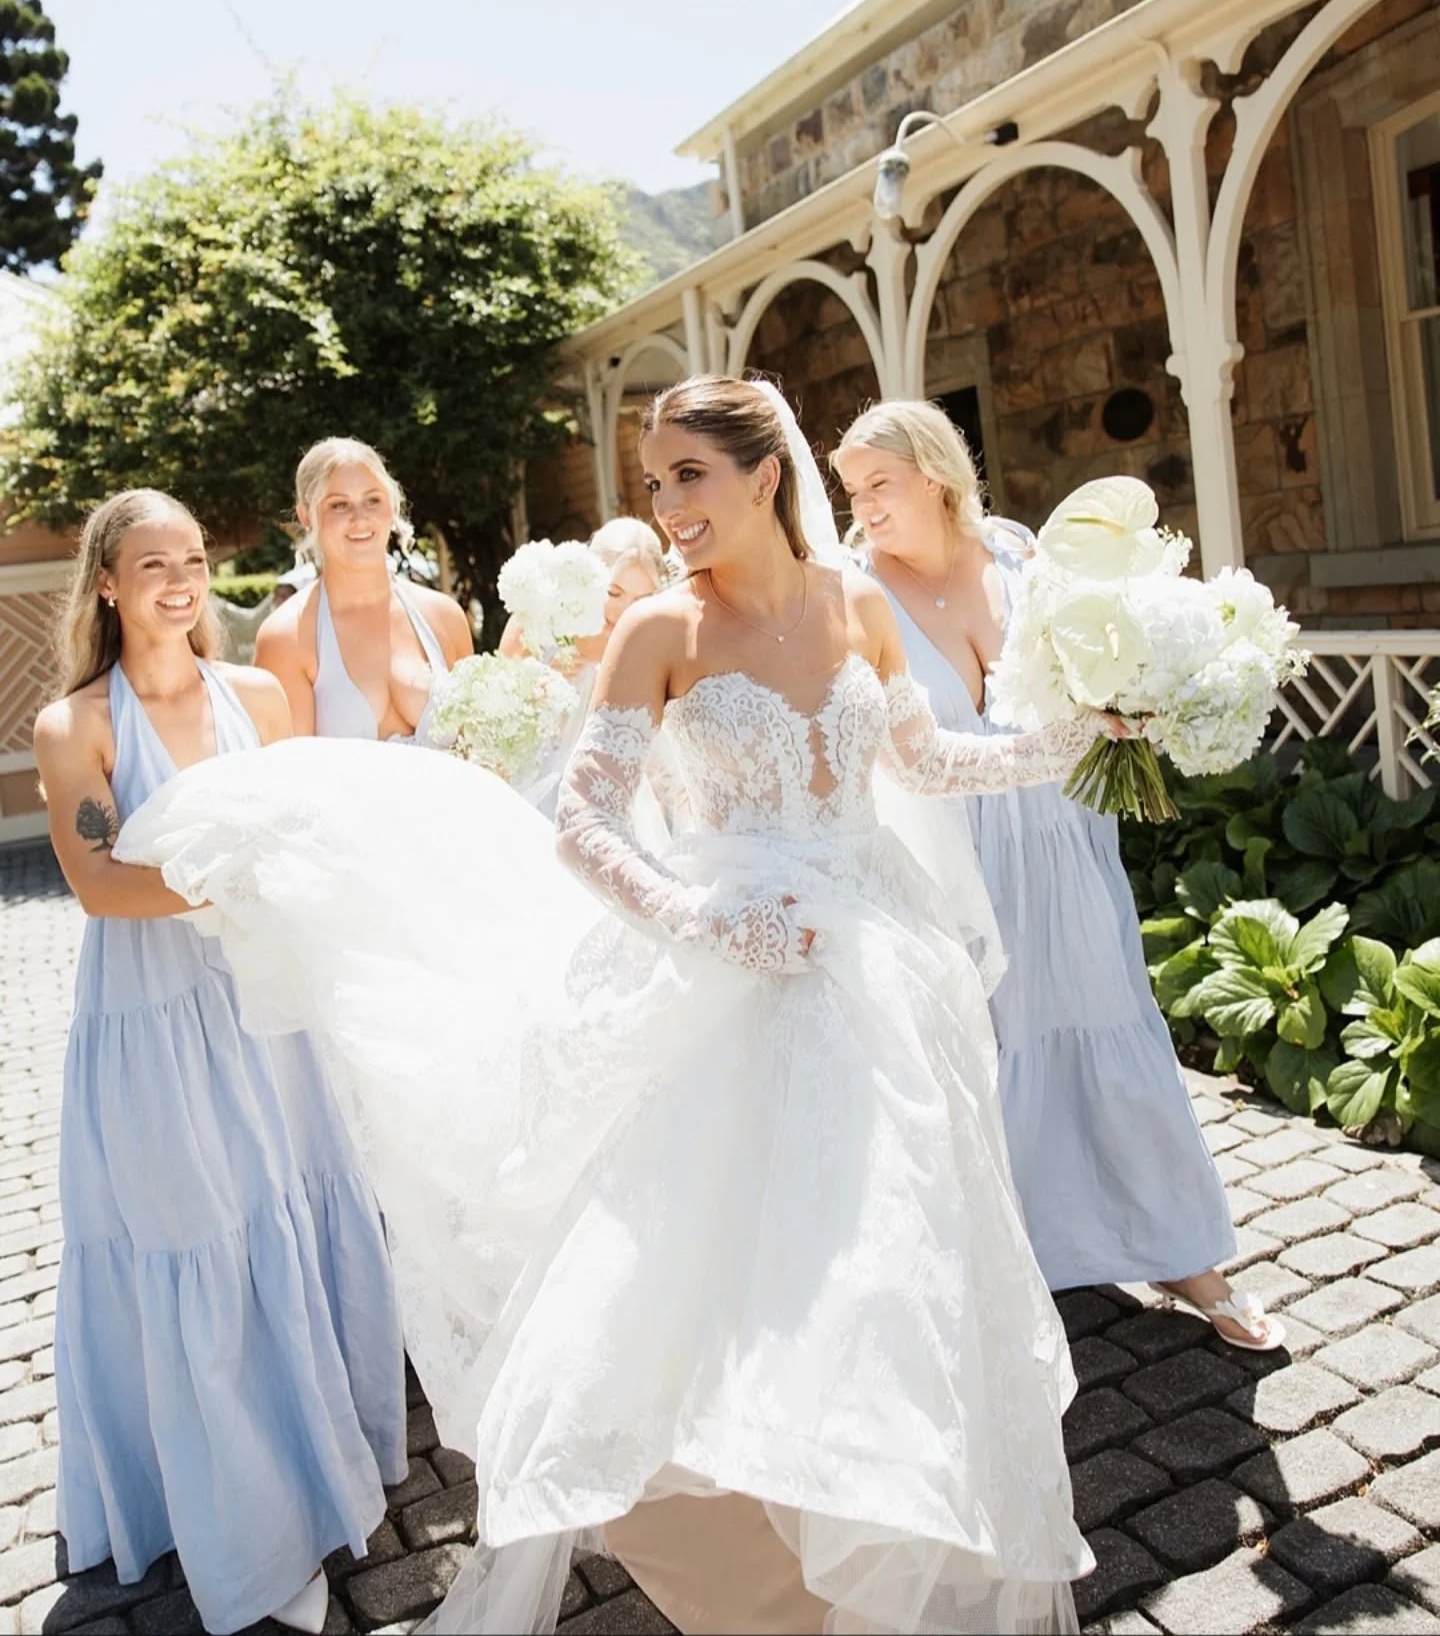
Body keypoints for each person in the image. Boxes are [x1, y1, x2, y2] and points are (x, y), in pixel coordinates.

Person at [114, 377, 1118, 1634]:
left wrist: (1074, 736)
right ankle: (759, 1577)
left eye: (688, 474)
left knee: (884, 1279)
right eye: (655, 484)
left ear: (765, 474)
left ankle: (883, 1540)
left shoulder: (856, 602)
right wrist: (707, 920)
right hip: (725, 976)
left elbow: (922, 761)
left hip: (880, 967)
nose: (668, 504)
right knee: (700, 1288)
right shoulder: (660, 631)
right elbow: (583, 825)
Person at [32, 489, 408, 1636]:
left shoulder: (253, 694)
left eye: (194, 560)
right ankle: (244, 1526)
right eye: (154, 564)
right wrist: (242, 880)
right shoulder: (74, 727)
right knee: (197, 1229)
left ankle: (319, 1463)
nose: (181, 581)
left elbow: (313, 828)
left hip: (267, 1012)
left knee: (289, 1206)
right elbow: (101, 886)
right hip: (154, 1020)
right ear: (107, 582)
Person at [832, 400, 1280, 1351]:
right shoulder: (854, 591)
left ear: (937, 477)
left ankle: (1182, 1250)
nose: (862, 506)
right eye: (852, 490)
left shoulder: (1016, 555)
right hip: (953, 848)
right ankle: (1014, 1259)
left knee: (1106, 1013)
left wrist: (1136, 698)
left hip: (1063, 836)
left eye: (880, 484)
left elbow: (1098, 665)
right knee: (991, 1048)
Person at [255, 437, 472, 739]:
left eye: (373, 500)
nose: (360, 519)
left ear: (391, 505)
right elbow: (293, 776)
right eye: (339, 505)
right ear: (306, 516)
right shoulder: (285, 637)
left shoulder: (444, 616)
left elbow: (478, 747)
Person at [499, 518, 669, 820]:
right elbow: (497, 707)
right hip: (532, 794)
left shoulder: (647, 647)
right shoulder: (540, 623)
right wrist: (539, 683)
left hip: (609, 801)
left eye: (641, 599)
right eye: (614, 593)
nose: (624, 611)